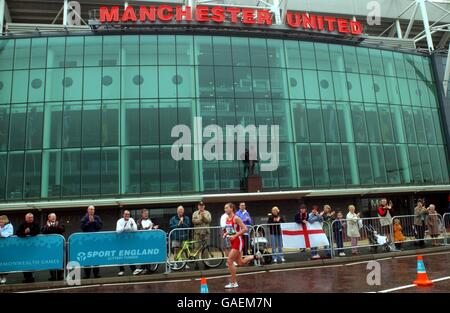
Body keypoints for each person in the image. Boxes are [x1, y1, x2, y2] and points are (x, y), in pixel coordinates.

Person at [223, 202, 260, 289]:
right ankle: (255, 256)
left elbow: (245, 229)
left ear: (231, 208)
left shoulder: (236, 218)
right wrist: (226, 234)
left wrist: (235, 236)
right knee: (240, 262)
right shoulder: (227, 219)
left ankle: (233, 282)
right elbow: (231, 230)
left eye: (227, 208)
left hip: (238, 242)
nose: (225, 209)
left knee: (229, 261)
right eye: (224, 208)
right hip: (233, 241)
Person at [16, 213, 40, 283]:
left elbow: (37, 232)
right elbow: (17, 233)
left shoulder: (36, 224)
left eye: (32, 217)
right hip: (24, 247)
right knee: (25, 262)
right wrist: (24, 232)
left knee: (32, 262)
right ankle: (26, 278)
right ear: (26, 218)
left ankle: (32, 277)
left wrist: (30, 232)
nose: (31, 219)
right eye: (29, 218)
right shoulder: (22, 224)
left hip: (33, 247)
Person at [80, 205, 103, 279]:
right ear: (87, 210)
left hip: (95, 241)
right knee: (87, 257)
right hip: (87, 241)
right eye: (90, 209)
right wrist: (89, 222)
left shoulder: (97, 217)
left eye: (93, 209)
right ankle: (87, 275)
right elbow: (82, 227)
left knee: (96, 257)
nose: (92, 210)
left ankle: (96, 274)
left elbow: (100, 227)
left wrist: (94, 221)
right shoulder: (84, 218)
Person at [41, 213, 65, 281]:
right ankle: (53, 276)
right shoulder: (46, 225)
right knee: (51, 260)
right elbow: (43, 231)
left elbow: (63, 230)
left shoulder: (59, 224)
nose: (54, 218)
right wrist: (49, 226)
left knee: (61, 260)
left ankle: (60, 275)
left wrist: (55, 226)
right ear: (49, 218)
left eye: (55, 216)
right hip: (50, 247)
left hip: (59, 246)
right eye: (52, 217)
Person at [136, 208, 159, 275]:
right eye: (145, 213)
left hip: (150, 240)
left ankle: (148, 268)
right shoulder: (139, 221)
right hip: (142, 241)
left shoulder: (150, 220)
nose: (146, 215)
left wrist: (154, 227)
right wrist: (147, 228)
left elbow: (151, 228)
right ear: (142, 214)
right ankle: (142, 268)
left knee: (149, 254)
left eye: (147, 214)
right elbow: (139, 229)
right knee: (143, 254)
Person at [116, 210, 138, 276]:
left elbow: (135, 229)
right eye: (126, 214)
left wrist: (131, 226)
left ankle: (133, 270)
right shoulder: (120, 221)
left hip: (129, 240)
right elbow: (118, 231)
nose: (127, 215)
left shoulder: (131, 220)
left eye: (128, 214)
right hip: (121, 240)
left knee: (129, 254)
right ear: (123, 215)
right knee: (121, 255)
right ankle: (121, 270)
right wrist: (124, 227)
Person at [0, 215, 13, 284]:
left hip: (6, 246)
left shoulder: (9, 226)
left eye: (1, 220)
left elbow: (7, 234)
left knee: (5, 261)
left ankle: (3, 276)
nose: (0, 222)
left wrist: (1, 233)